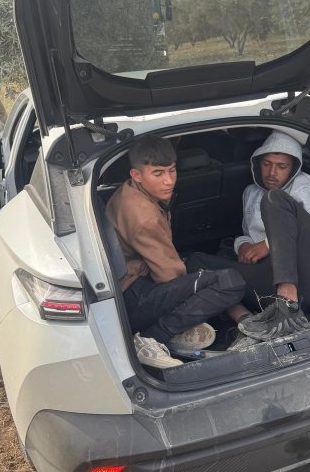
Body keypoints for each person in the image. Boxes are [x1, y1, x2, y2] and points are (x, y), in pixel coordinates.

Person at [187, 130, 310, 347]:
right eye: (267, 164)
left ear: (294, 167)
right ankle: (248, 325)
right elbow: (249, 234)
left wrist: (270, 245)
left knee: (275, 199)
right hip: (271, 280)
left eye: (281, 166)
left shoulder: (307, 186)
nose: (272, 172)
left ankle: (286, 305)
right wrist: (243, 245)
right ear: (257, 164)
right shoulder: (250, 193)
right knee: (196, 262)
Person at [105, 135, 246, 369]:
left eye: (172, 171)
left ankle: (174, 330)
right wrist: (202, 299)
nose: (169, 181)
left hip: (130, 283)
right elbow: (169, 276)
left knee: (200, 265)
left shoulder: (130, 192)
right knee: (231, 282)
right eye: (158, 174)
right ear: (136, 175)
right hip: (133, 297)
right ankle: (152, 337)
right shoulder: (145, 217)